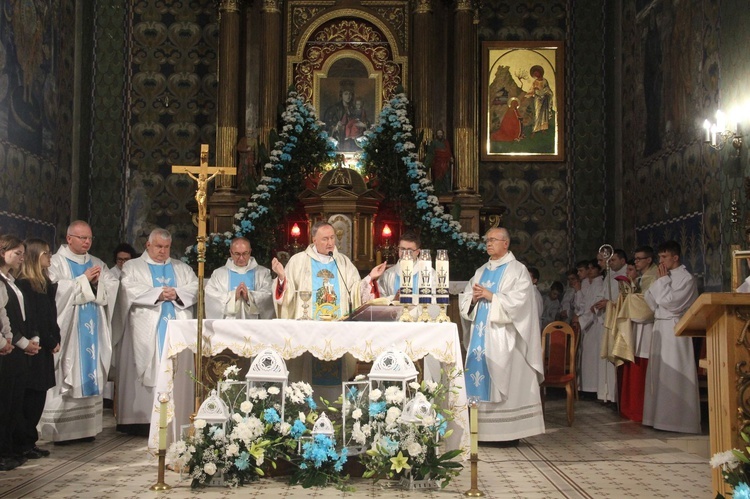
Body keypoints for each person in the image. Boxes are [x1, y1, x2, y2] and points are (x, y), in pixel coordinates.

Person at [271, 221, 384, 397]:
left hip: (338, 328)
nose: (330, 243)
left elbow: (354, 290)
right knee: (306, 374)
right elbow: (288, 295)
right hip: (309, 330)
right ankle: (305, 405)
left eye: (332, 238)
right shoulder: (298, 261)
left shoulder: (343, 262)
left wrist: (370, 278)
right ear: (314, 239)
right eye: (325, 239)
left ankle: (339, 407)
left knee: (340, 377)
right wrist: (281, 277)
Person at [459, 227, 545, 444]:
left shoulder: (518, 270)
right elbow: (467, 296)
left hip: (506, 338)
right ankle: (481, 432)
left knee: (508, 380)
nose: (488, 243)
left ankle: (509, 434)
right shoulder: (480, 271)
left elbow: (521, 302)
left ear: (505, 243)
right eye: (487, 240)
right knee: (479, 376)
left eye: (493, 240)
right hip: (481, 338)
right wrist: (473, 299)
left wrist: (492, 296)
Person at [115, 228, 198, 433]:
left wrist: (176, 293)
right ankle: (140, 419)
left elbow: (195, 288)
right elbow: (128, 288)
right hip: (145, 329)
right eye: (159, 246)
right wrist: (158, 294)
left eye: (167, 247)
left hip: (175, 327)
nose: (163, 251)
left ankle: (174, 416)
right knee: (147, 367)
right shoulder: (133, 267)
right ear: (148, 245)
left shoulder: (181, 268)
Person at [44, 221, 119, 443]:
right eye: (82, 238)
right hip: (69, 332)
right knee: (69, 370)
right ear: (69, 238)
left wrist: (97, 285)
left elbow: (113, 286)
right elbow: (53, 290)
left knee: (91, 370)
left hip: (93, 329)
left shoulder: (97, 263)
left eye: (89, 238)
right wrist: (83, 280)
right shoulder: (55, 262)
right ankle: (61, 431)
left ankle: (87, 429)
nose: (87, 242)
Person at [642, 240, 700, 433]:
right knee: (659, 374)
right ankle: (656, 418)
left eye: (664, 257)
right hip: (660, 325)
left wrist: (663, 282)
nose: (661, 261)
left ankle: (678, 420)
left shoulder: (686, 278)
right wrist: (660, 282)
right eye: (659, 257)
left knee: (674, 374)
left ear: (675, 257)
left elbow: (672, 303)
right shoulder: (663, 275)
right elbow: (651, 300)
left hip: (675, 329)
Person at [16, 239, 59, 458]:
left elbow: (51, 315)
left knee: (39, 396)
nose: (50, 258)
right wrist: (48, 340)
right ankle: (22, 442)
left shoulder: (45, 283)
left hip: (45, 347)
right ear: (36, 256)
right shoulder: (24, 284)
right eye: (46, 254)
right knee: (29, 397)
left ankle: (29, 441)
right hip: (33, 347)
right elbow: (33, 318)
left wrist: (56, 336)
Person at [0, 235, 34, 470]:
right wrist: (3, 340)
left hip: (11, 346)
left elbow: (7, 315)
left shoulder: (11, 281)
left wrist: (10, 337)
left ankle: (9, 448)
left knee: (13, 402)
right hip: (4, 350)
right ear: (3, 252)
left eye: (23, 254)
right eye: (17, 253)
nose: (22, 258)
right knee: (3, 403)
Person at [618, 247, 658, 422]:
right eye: (635, 259)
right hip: (638, 325)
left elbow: (646, 303)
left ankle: (641, 409)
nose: (636, 262)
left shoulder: (655, 276)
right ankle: (632, 408)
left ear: (649, 260)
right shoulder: (643, 276)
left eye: (639, 259)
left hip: (648, 325)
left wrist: (631, 296)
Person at [205, 237, 274, 320]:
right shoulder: (219, 274)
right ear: (231, 252)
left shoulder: (263, 273)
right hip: (228, 325)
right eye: (237, 254)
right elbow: (211, 294)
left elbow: (268, 294)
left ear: (250, 251)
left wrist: (249, 297)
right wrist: (233, 296)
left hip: (254, 324)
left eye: (245, 253)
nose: (241, 258)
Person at [595, 249, 626, 403]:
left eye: (613, 260)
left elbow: (624, 299)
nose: (610, 263)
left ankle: (616, 396)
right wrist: (600, 303)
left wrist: (609, 303)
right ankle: (606, 395)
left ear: (622, 260)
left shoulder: (625, 275)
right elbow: (604, 294)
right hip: (607, 318)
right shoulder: (609, 275)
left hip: (617, 321)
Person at [575, 259, 604, 398]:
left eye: (593, 268)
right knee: (586, 357)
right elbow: (585, 304)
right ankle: (586, 387)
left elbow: (594, 307)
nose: (590, 270)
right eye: (590, 268)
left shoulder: (600, 284)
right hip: (587, 324)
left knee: (592, 358)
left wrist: (582, 319)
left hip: (595, 324)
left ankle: (592, 389)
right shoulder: (590, 284)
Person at [525, 65, 554, 134]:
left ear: (540, 72)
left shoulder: (544, 81)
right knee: (537, 114)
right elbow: (531, 90)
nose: (536, 75)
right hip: (537, 99)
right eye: (534, 74)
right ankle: (535, 129)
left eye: (536, 73)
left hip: (544, 99)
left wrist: (544, 92)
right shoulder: (535, 82)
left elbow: (548, 89)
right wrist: (529, 94)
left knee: (544, 114)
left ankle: (543, 129)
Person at [425, 129, 453, 196]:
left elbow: (448, 151)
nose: (440, 134)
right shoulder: (434, 142)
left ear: (443, 134)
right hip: (437, 162)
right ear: (436, 134)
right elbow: (430, 151)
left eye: (441, 133)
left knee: (446, 175)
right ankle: (438, 190)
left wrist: (450, 157)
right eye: (438, 133)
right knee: (437, 176)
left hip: (445, 161)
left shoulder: (446, 142)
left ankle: (447, 190)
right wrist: (428, 144)